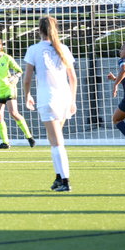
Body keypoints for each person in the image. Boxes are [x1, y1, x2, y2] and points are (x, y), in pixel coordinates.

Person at [22, 16, 77, 192]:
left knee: (56, 142)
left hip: (48, 99)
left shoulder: (34, 49)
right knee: (54, 138)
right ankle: (59, 178)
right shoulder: (64, 48)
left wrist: (27, 95)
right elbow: (73, 78)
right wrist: (73, 100)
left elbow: (27, 79)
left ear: (39, 30)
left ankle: (66, 181)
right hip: (64, 98)